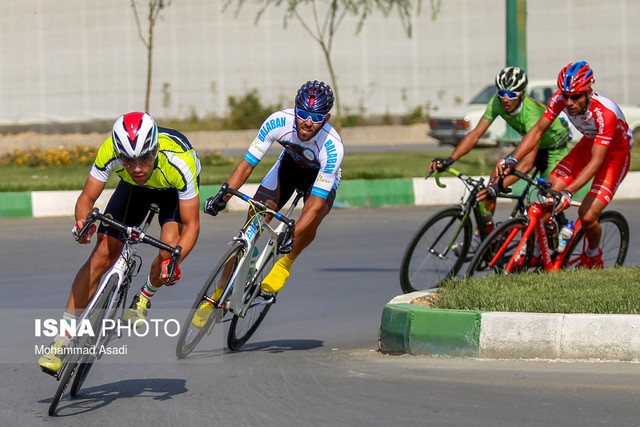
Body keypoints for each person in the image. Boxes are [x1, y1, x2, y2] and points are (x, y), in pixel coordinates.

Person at [38, 112, 201, 374]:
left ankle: (145, 296)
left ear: (155, 150)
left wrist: (175, 260)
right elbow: (86, 199)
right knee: (102, 255)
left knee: (167, 251)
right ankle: (62, 339)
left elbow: (192, 225)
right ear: (119, 154)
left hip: (172, 192)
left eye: (144, 159)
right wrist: (82, 224)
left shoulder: (179, 163)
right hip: (133, 191)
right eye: (128, 160)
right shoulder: (110, 151)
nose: (137, 168)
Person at [191, 80, 343, 327]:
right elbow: (247, 164)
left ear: (325, 118)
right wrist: (225, 195)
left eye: (315, 118)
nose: (307, 122)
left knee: (314, 216)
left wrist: (293, 233)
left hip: (320, 179)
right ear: (295, 109)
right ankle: (217, 294)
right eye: (303, 114)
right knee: (250, 226)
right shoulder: (278, 122)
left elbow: (313, 205)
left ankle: (285, 262)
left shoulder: (332, 147)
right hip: (289, 168)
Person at [495, 61, 633, 268]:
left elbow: (597, 162)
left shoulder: (605, 113)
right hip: (589, 144)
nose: (569, 102)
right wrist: (514, 159)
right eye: (566, 95)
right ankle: (542, 252)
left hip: (615, 154)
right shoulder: (560, 98)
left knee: (587, 216)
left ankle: (593, 255)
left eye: (575, 96)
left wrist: (569, 192)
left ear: (588, 93)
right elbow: (538, 130)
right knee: (548, 194)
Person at [428, 66, 570, 251]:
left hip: (553, 149)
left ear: (522, 94)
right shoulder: (497, 102)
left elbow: (526, 164)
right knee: (496, 172)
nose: (505, 99)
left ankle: (564, 226)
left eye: (511, 95)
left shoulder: (531, 114)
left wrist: (497, 187)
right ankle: (483, 237)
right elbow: (475, 135)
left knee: (546, 198)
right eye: (502, 93)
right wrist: (450, 159)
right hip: (531, 145)